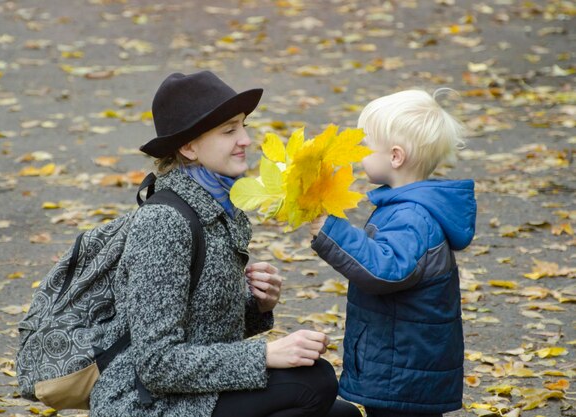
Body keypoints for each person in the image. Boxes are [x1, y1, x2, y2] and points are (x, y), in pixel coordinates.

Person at [89, 70, 362, 417]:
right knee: (315, 382)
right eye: (229, 131)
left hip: (190, 392)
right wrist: (267, 354)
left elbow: (203, 330)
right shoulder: (163, 223)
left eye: (244, 126)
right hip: (145, 404)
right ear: (188, 147)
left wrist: (257, 306)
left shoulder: (221, 206)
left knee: (344, 414)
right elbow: (157, 364)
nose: (246, 139)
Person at [309, 89, 477, 417]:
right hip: (402, 362)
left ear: (395, 156)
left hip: (403, 369)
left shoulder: (412, 217)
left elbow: (385, 269)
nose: (358, 154)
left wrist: (332, 233)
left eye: (364, 145)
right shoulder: (404, 207)